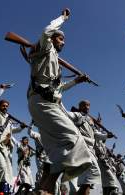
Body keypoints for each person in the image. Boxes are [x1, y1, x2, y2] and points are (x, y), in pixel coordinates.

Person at [26, 8, 92, 194]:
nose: (63, 42)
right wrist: (62, 18)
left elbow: (58, 88)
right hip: (42, 102)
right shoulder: (46, 48)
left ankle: (44, 189)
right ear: (53, 39)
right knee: (73, 138)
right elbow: (47, 30)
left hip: (45, 103)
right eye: (60, 38)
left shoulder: (53, 58)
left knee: (56, 150)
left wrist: (76, 81)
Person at [0, 83, 27, 194]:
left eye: (7, 106)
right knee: (1, 165)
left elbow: (13, 130)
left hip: (5, 146)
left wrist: (21, 127)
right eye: (3, 106)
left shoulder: (8, 121)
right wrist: (1, 89)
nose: (5, 108)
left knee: (5, 168)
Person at [68, 100, 114, 195]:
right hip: (81, 146)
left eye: (88, 105)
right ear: (80, 106)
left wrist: (106, 136)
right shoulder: (76, 115)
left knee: (89, 179)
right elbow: (66, 116)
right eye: (84, 105)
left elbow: (95, 134)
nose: (87, 107)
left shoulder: (89, 119)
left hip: (90, 148)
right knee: (92, 173)